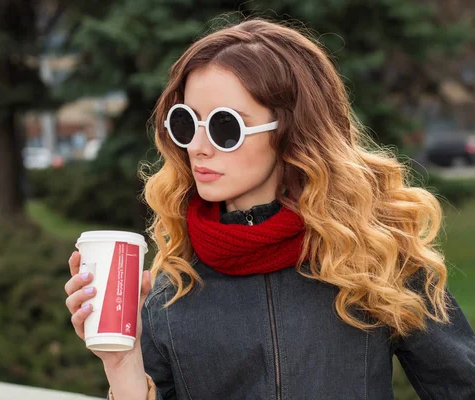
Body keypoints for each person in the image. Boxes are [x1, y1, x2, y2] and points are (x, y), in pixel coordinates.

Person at [64, 19, 475, 399]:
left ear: (291, 131)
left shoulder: (376, 257)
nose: (198, 146)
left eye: (226, 126)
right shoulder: (174, 282)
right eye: (186, 122)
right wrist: (122, 364)